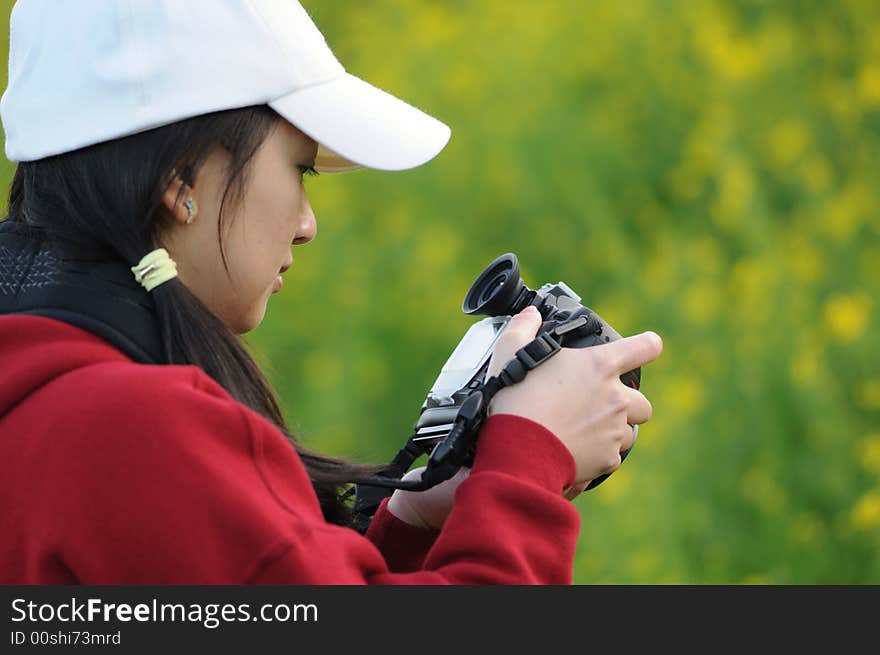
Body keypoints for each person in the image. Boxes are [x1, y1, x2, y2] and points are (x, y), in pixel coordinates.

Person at [0, 0, 662, 584]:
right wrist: (526, 458)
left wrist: (411, 517)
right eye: (300, 167)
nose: (308, 224)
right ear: (180, 180)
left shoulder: (46, 402)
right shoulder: (136, 428)